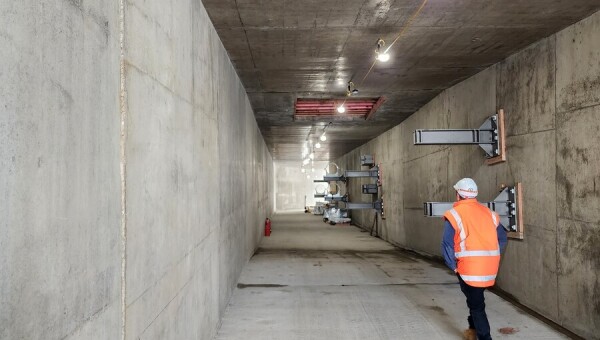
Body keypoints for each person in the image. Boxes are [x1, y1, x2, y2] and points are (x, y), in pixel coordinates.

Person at [441, 178, 508, 340]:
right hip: (489, 269)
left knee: (477, 305)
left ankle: (484, 337)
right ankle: (472, 329)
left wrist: (453, 266)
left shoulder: (454, 215)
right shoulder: (490, 214)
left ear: (458, 195)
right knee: (474, 298)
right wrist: (492, 258)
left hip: (468, 269)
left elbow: (447, 244)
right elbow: (502, 239)